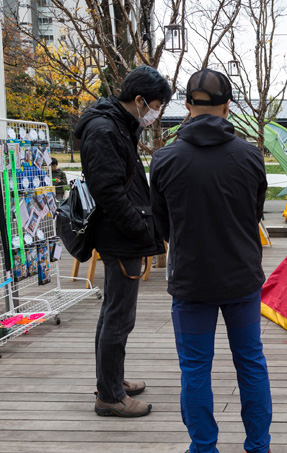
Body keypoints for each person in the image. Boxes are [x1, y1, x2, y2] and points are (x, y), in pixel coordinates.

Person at [150, 69, 271, 453]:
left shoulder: (164, 160)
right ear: (228, 105)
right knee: (250, 363)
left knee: (195, 370)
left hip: (191, 282)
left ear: (186, 105)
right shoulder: (251, 156)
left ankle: (204, 447)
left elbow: (163, 225)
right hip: (242, 279)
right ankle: (258, 446)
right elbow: (254, 215)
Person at [75, 65, 171, 417]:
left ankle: (111, 381)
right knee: (118, 317)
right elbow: (109, 193)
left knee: (114, 314)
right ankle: (110, 396)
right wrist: (139, 230)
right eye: (156, 105)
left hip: (121, 236)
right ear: (140, 99)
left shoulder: (115, 125)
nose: (156, 114)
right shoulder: (104, 130)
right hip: (120, 238)